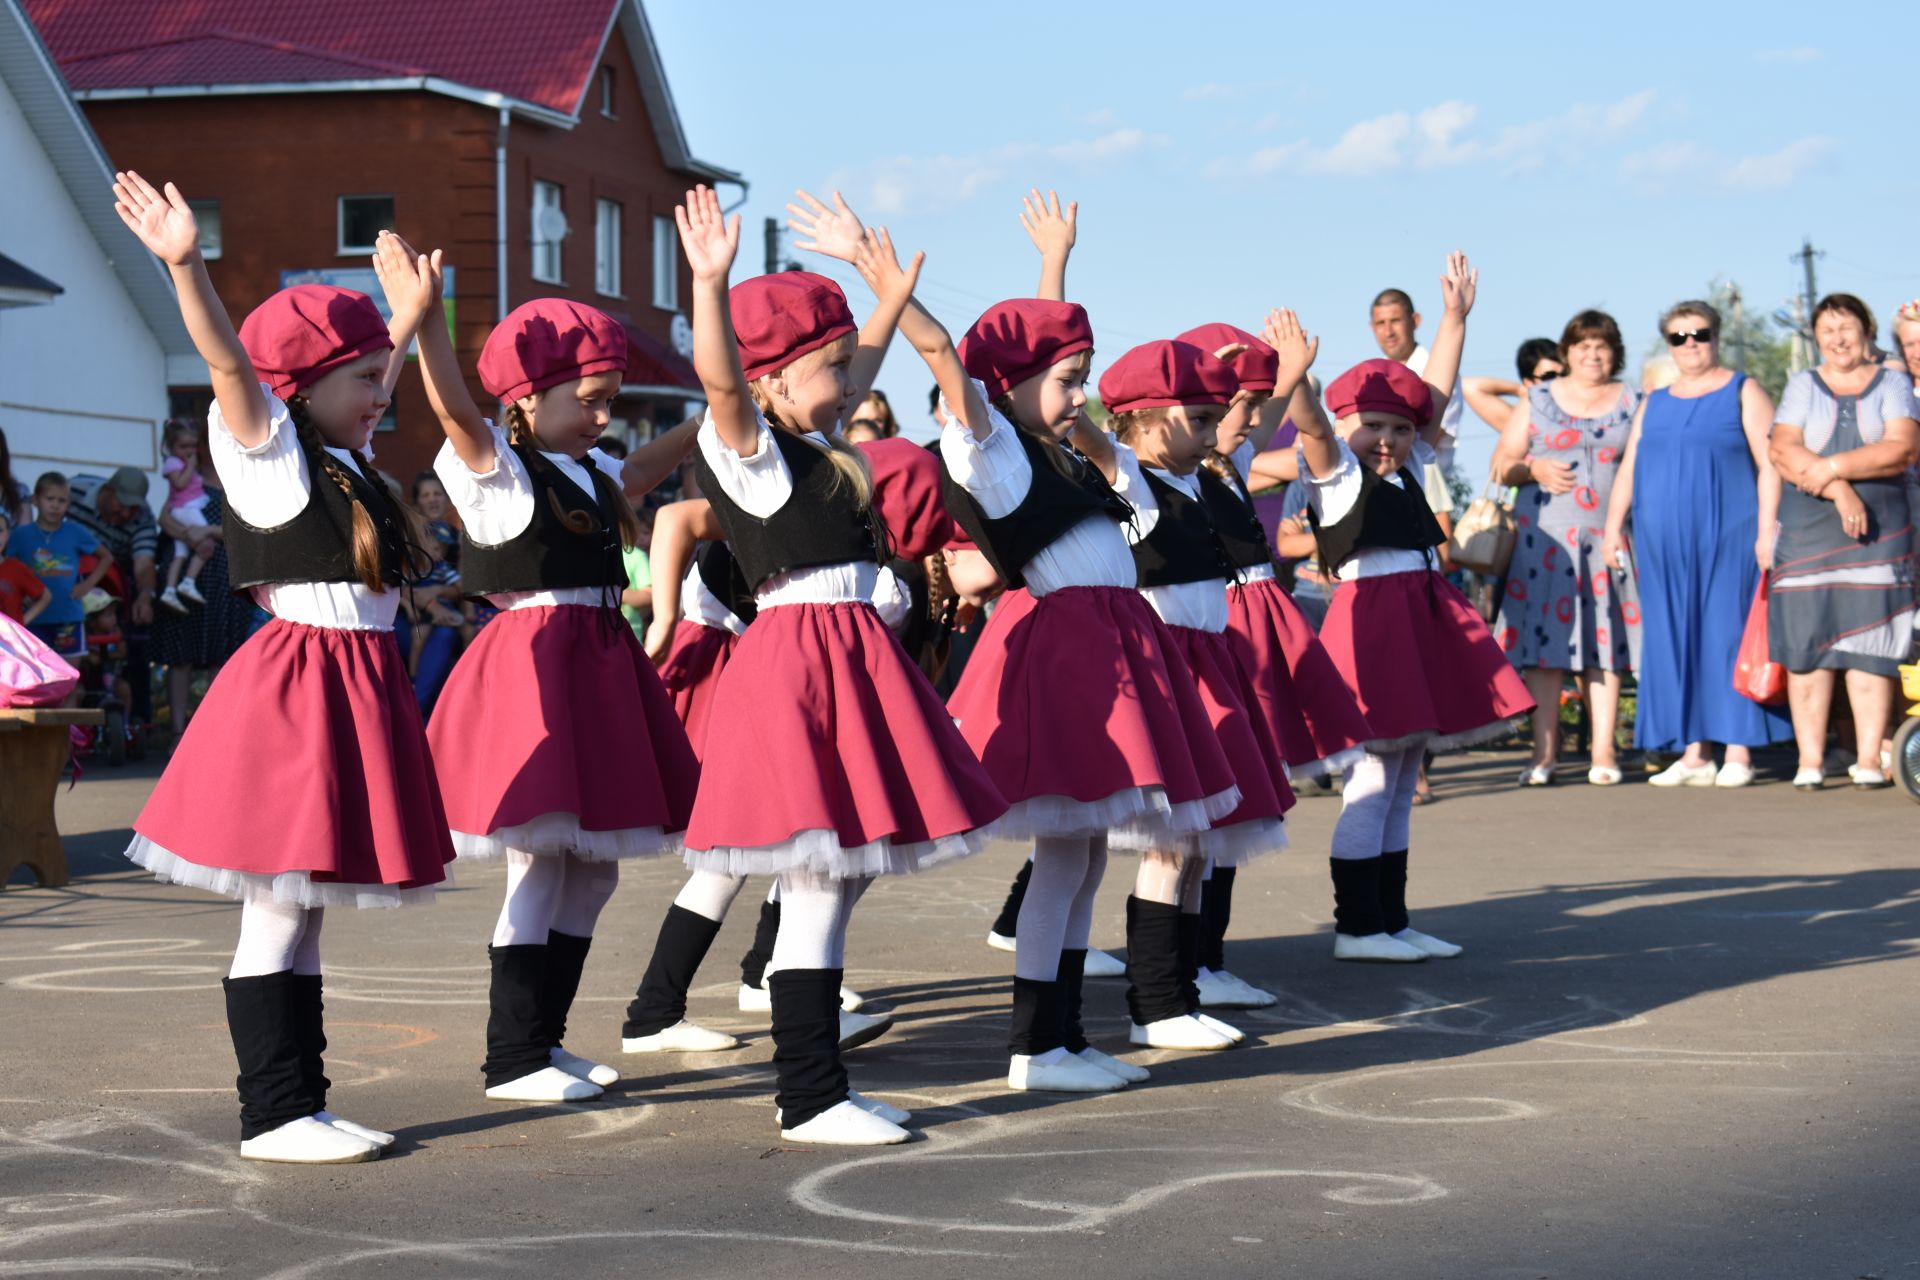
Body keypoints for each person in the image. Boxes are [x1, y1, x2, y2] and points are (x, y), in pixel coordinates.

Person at [111, 170, 454, 1164]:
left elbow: (352, 374)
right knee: (278, 904)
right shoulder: (267, 449)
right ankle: (273, 1111)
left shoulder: (342, 461)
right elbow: (232, 365)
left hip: (353, 679)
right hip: (303, 686)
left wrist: (408, 319)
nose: (381, 394)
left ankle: (299, 1099)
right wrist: (187, 265)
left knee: (302, 909)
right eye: (364, 381)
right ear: (299, 389)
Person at [676, 185, 1005, 1145]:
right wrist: (711, 284)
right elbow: (724, 382)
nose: (852, 382)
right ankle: (810, 1094)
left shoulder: (819, 445)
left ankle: (816, 1085)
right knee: (819, 876)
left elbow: (846, 372)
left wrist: (886, 291)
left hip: (850, 659)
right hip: (801, 666)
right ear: (771, 382)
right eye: (828, 367)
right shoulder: (749, 450)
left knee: (839, 874)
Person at [379, 235, 705, 1105]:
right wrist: (430, 328)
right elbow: (453, 412)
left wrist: (720, 408)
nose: (603, 417)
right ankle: (513, 1057)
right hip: (539, 666)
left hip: (599, 662)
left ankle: (545, 1042)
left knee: (592, 868)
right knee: (539, 862)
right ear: (528, 396)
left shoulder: (592, 467)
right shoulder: (495, 469)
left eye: (610, 401)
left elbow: (640, 470)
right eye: (590, 400)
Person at [940, 211, 1246, 1084]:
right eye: (1070, 381)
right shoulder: (998, 456)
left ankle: (1063, 1036)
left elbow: (1034, 357)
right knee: (1062, 863)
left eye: (1085, 379)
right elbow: (986, 371)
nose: (1084, 394)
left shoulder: (1069, 457)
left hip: (1115, 647)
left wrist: (1053, 263)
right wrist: (898, 301)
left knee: (1075, 867)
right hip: (1073, 659)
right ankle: (1036, 1044)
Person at [1284, 254, 1532, 963]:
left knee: (1399, 778)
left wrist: (1453, 319)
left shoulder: (1412, 465)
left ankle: (1390, 919)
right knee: (1369, 774)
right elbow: (1315, 430)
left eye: (1397, 428)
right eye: (1372, 427)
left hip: (1420, 617)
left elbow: (1437, 392)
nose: (1385, 439)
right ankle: (1357, 926)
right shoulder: (1334, 478)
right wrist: (1296, 374)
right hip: (1370, 625)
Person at [1095, 338, 1291, 1052]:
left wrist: (1280, 372)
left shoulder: (1203, 480)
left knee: (1200, 846)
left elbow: (1252, 427)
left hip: (1210, 663)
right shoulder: (1132, 479)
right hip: (1166, 668)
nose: (1215, 434)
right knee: (1172, 846)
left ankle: (1182, 990)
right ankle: (1154, 1005)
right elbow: (1087, 430)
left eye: (1218, 419)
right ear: (1144, 418)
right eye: (1201, 417)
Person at [1178, 320, 1374, 1006]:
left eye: (1256, 401)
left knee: (1237, 805)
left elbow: (1275, 436)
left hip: (1247, 639)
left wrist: (1292, 373)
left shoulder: (1229, 468)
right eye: (1230, 400)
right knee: (1206, 815)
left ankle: (1207, 962)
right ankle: (1185, 969)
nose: (1249, 413)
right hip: (1211, 637)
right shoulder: (1164, 476)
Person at [1602, 301, 1788, 786]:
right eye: (1679, 337)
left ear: (1716, 337)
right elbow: (1629, 468)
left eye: (1699, 334)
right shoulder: (1654, 401)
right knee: (1673, 635)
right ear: (1669, 343)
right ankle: (1694, 752)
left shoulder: (1742, 390)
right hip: (1661, 541)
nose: (1690, 345)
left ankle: (1740, 752)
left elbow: (1772, 462)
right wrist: (1611, 527)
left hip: (1729, 532)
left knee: (1726, 633)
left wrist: (1767, 528)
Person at [1767, 293, 1919, 790]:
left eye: (1847, 327)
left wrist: (1829, 467)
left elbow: (1901, 448)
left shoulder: (1894, 383)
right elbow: (1782, 450)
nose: (1838, 339)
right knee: (1806, 649)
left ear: (1867, 330)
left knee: (1870, 649)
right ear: (1816, 338)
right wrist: (1841, 490)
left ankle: (1869, 761)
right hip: (1808, 536)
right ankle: (1809, 761)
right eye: (1827, 330)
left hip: (1880, 535)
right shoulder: (1801, 385)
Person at [1490, 309, 1641, 785]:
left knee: (1605, 645)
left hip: (1609, 538)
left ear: (1614, 352)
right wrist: (1533, 468)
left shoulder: (1634, 400)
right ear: (1567, 351)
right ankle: (1543, 755)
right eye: (1583, 346)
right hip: (1545, 541)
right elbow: (1501, 466)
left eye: (1602, 346)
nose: (1592, 355)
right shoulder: (1538, 398)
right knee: (1543, 651)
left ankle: (1604, 752)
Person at [66, 466, 160, 727]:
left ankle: (138, 721)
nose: (127, 513)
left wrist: (145, 596)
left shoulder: (142, 518)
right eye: (122, 504)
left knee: (137, 635)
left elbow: (143, 564)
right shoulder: (73, 490)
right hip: (68, 576)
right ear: (108, 491)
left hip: (109, 586)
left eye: (133, 508)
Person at [14, 472, 108, 659]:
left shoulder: (76, 532)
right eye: (50, 499)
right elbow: (8, 568)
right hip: (32, 618)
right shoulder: (19, 535)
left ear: (68, 505)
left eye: (62, 501)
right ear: (35, 500)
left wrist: (86, 585)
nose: (55, 505)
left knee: (67, 679)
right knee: (34, 679)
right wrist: (18, 593)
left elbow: (106, 557)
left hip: (68, 617)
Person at [158, 420, 215, 612]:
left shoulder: (239, 479)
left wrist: (208, 530)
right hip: (191, 564)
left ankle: (178, 587)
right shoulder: (187, 473)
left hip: (219, 581)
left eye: (194, 445)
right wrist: (187, 534)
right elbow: (164, 517)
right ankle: (178, 586)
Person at [1462, 338, 1566, 431]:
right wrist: (1521, 390)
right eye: (1549, 376)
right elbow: (1469, 387)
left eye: (1565, 374)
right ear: (1529, 382)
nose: (1559, 381)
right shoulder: (1524, 425)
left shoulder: (1581, 412)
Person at [0, 509, 52, 624]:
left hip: (9, 640)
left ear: (7, 534)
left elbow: (45, 596)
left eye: (0, 530)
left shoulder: (16, 568)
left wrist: (21, 623)